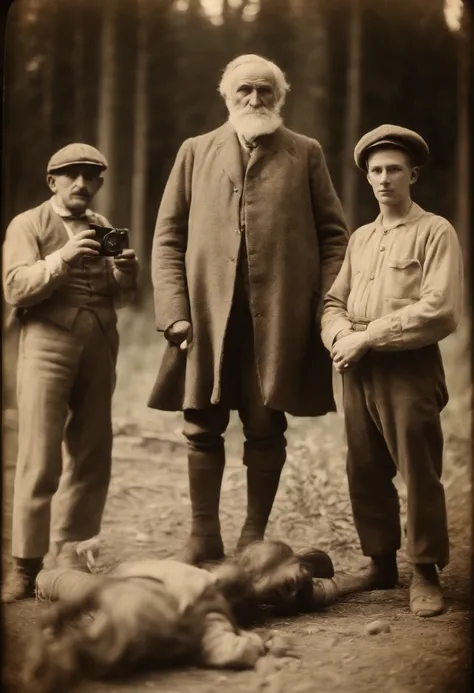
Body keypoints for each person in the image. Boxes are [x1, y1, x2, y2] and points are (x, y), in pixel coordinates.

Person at [149, 54, 348, 565]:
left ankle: (252, 537)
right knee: (200, 423)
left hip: (277, 318)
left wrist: (324, 308)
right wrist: (173, 311)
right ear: (227, 97)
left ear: (280, 98)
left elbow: (334, 238)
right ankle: (203, 536)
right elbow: (167, 238)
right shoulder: (195, 152)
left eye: (265, 91)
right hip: (207, 320)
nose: (254, 100)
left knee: (265, 424)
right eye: (244, 91)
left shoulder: (305, 153)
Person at [321, 125, 464, 617]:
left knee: (418, 470)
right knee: (363, 466)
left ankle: (424, 569)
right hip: (356, 364)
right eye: (375, 171)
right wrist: (339, 336)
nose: (384, 179)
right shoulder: (361, 238)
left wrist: (370, 335)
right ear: (367, 178)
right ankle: (381, 561)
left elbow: (441, 309)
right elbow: (333, 301)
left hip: (408, 364)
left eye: (394, 170)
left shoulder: (435, 231)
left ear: (413, 175)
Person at [2, 143, 139, 602]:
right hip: (47, 342)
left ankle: (71, 553)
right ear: (52, 181)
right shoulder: (28, 224)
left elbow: (118, 297)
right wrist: (61, 257)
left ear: (99, 183)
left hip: (100, 342)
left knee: (93, 451)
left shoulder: (102, 227)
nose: (82, 183)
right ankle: (25, 564)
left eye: (91, 176)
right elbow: (15, 288)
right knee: (40, 455)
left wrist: (126, 273)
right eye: (71, 175)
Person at [24, 537, 362, 692]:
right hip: (134, 592)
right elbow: (227, 647)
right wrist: (260, 646)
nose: (301, 582)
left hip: (129, 587)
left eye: (299, 589)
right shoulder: (211, 605)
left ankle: (52, 578)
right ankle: (54, 582)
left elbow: (324, 588)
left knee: (85, 595)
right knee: (99, 624)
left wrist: (365, 580)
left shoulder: (205, 585)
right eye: (299, 573)